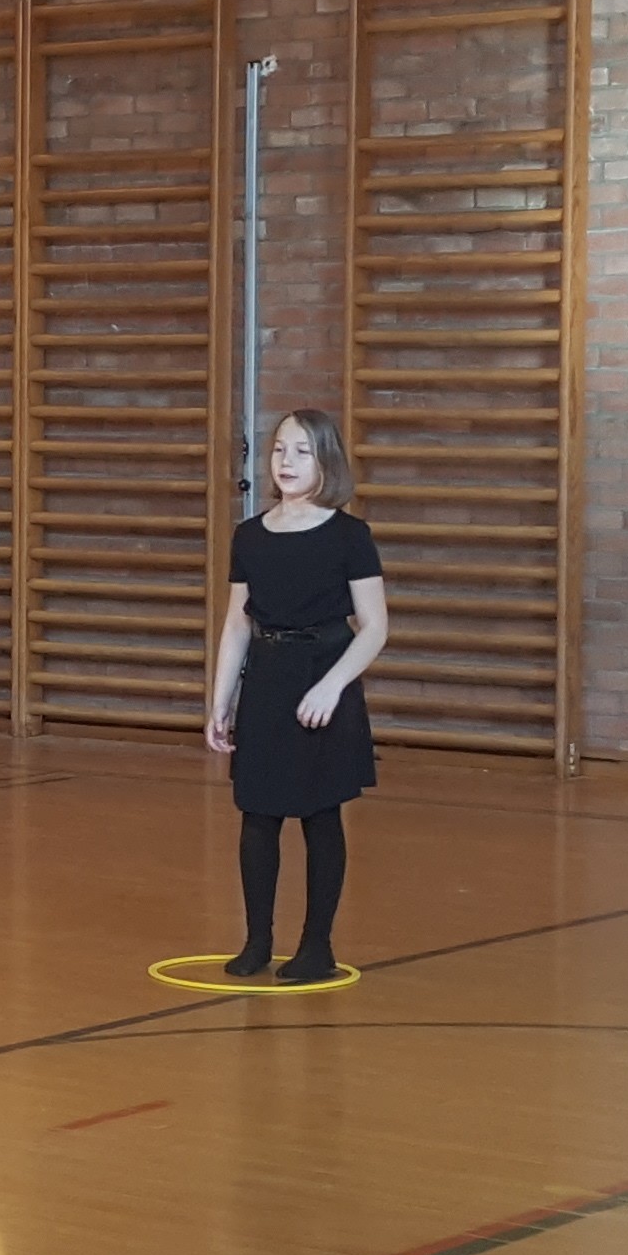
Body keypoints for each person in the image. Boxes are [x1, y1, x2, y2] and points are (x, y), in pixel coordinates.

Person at [200, 409, 388, 984]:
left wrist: (332, 686)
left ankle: (316, 946)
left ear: (326, 460)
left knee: (320, 815)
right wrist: (221, 698)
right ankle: (257, 940)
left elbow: (374, 627)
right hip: (269, 679)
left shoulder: (349, 536)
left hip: (325, 675)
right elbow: (237, 623)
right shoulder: (250, 535)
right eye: (280, 449)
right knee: (257, 814)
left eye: (302, 451)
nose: (286, 461)